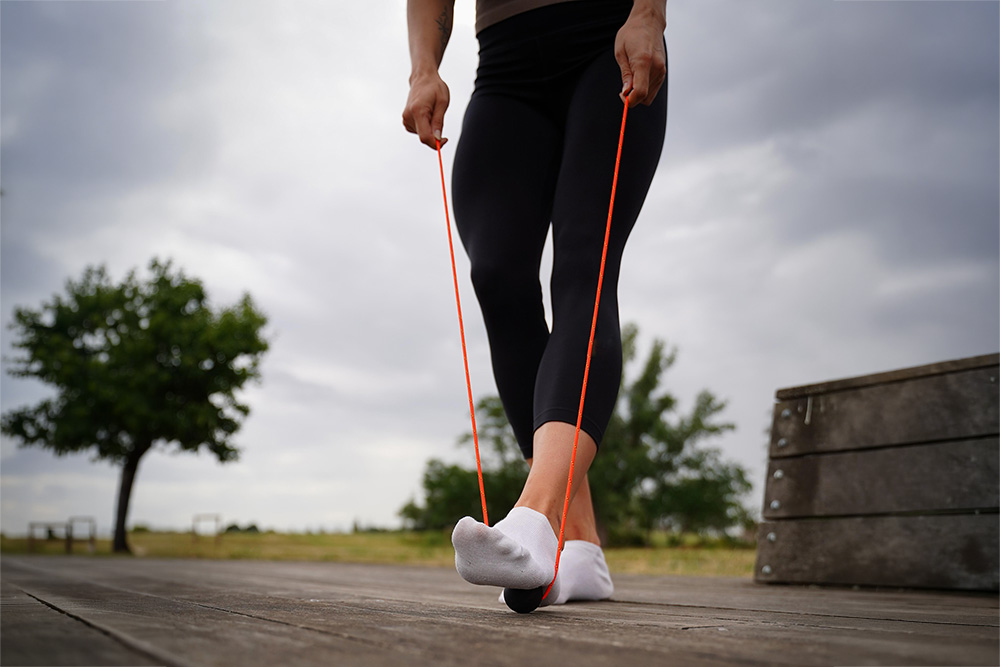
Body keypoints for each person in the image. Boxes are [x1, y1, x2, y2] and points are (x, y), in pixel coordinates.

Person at [403, 0, 667, 607]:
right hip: (503, 66)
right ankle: (581, 550)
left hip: (609, 41)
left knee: (583, 267)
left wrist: (649, 12)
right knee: (497, 273)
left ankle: (534, 518)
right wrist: (423, 68)